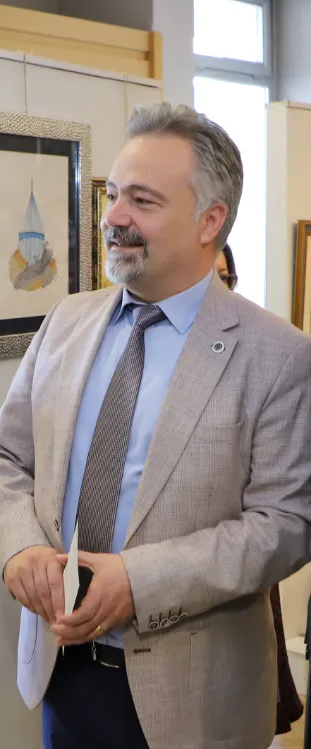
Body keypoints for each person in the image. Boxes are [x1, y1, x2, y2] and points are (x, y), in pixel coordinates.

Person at [0, 102, 311, 749]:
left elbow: (285, 524)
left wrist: (138, 581)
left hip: (197, 699)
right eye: (112, 195)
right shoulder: (66, 321)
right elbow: (4, 457)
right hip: (62, 670)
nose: (113, 217)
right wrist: (19, 548)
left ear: (209, 221)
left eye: (142, 200)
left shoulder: (278, 354)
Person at [214, 246, 305, 743]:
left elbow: (281, 519)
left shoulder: (270, 356)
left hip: (239, 575)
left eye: (224, 278)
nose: (214, 289)